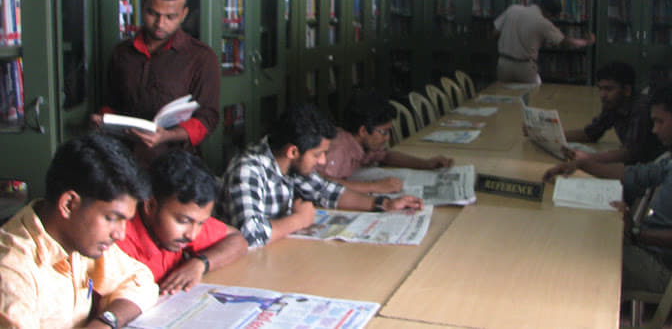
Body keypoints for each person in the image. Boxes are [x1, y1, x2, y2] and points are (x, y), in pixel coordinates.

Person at [542, 81, 672, 293]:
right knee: (579, 240)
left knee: (577, 255)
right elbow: (634, 174)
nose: (654, 129)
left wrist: (636, 233)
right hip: (648, 249)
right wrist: (583, 164)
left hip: (665, 270)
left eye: (660, 122)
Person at [0, 133, 158, 328]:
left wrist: (106, 321)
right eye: (111, 218)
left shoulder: (77, 238)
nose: (120, 234)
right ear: (68, 204)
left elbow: (140, 280)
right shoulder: (11, 270)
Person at [217, 103, 424, 246]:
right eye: (318, 154)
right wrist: (300, 220)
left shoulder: (290, 162)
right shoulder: (248, 169)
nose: (323, 161)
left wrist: (385, 204)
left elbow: (328, 192)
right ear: (293, 151)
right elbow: (251, 235)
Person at [91, 0, 220, 166]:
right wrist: (103, 119)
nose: (160, 24)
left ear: (184, 14)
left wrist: (168, 135)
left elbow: (207, 118)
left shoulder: (201, 58)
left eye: (170, 17)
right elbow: (110, 101)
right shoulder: (122, 53)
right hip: (124, 159)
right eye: (153, 13)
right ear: (142, 8)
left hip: (177, 162)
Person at [116, 150, 248, 296]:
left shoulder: (184, 225)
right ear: (150, 206)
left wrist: (200, 263)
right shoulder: (119, 242)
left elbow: (237, 239)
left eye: (201, 223)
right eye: (183, 221)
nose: (192, 235)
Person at [319, 90, 454, 194]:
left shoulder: (363, 144)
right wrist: (375, 187)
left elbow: (386, 156)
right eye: (384, 132)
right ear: (363, 131)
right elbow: (323, 183)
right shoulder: (339, 149)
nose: (388, 138)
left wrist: (426, 164)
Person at [561, 61, 664, 165]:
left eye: (608, 89)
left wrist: (588, 158)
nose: (603, 95)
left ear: (627, 90)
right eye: (600, 89)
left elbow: (630, 153)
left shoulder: (642, 110)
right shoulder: (613, 104)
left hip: (655, 166)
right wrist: (557, 137)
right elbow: (591, 133)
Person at [494, 0, 596, 85]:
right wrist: (586, 42)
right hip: (524, 67)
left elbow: (495, 32)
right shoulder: (542, 22)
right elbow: (564, 41)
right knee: (531, 97)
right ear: (548, 12)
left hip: (503, 63)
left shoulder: (513, 9)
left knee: (505, 97)